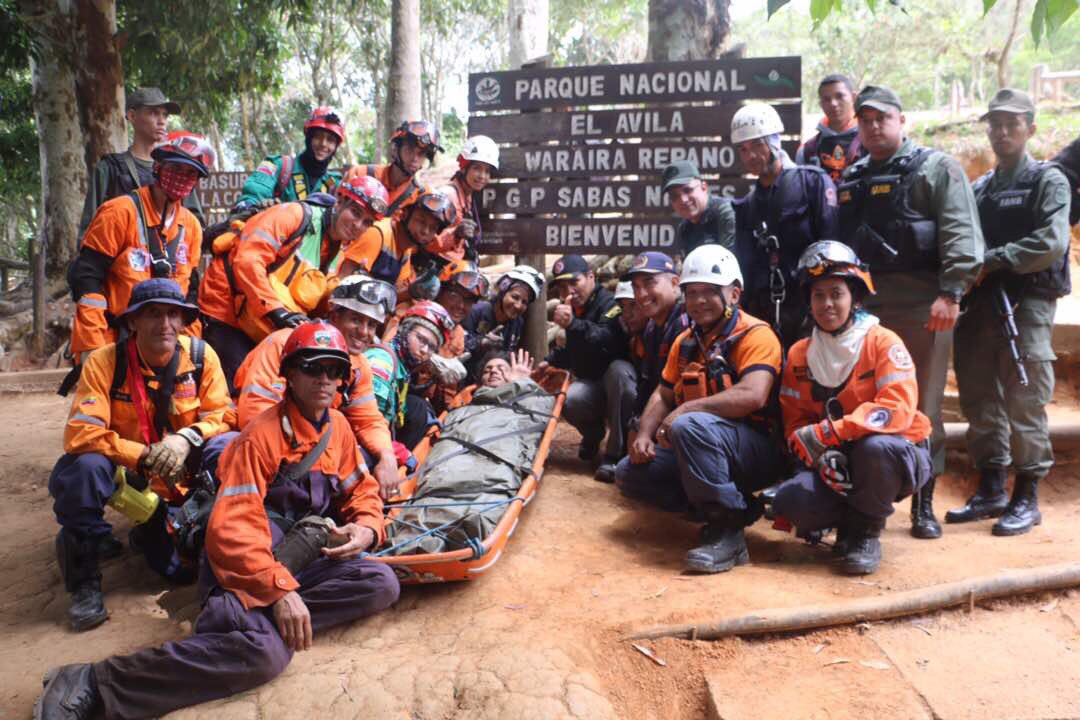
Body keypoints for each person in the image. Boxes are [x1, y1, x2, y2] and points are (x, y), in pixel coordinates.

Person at [34, 322, 399, 720]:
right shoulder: (261, 436)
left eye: (335, 370)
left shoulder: (339, 428)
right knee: (264, 656)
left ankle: (251, 621)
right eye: (313, 368)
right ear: (290, 376)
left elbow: (360, 490)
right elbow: (232, 530)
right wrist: (277, 592)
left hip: (293, 561)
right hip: (240, 569)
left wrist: (366, 526)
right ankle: (93, 683)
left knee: (380, 582)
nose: (325, 379)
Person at [838, 85, 984, 540]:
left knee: (922, 405)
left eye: (883, 117)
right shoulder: (854, 174)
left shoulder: (936, 168)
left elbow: (962, 233)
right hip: (867, 309)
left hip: (925, 305)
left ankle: (924, 503)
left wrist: (952, 293)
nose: (874, 125)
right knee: (864, 402)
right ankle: (869, 501)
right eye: (865, 119)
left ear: (902, 121)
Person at [48, 279, 234, 632]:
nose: (164, 324)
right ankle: (84, 580)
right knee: (81, 469)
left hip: (182, 480)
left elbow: (223, 417)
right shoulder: (105, 362)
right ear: (132, 321)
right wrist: (144, 455)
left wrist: (185, 439)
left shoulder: (200, 356)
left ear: (182, 321)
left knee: (175, 572)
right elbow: (80, 434)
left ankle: (199, 537)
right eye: (152, 314)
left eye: (172, 314)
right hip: (130, 474)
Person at [947, 89, 1072, 536]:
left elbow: (1051, 243)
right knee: (980, 398)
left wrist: (995, 258)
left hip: (1028, 301)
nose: (1001, 132)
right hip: (980, 304)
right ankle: (992, 488)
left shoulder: (1048, 180)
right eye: (995, 124)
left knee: (1024, 395)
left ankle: (1027, 496)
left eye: (1011, 124)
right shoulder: (980, 188)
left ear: (1030, 129)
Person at [616, 245, 784, 573]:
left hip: (759, 450)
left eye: (709, 292)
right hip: (709, 444)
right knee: (630, 473)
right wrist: (646, 434)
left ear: (734, 294)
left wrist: (687, 409)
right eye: (691, 293)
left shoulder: (756, 335)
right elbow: (663, 395)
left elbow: (754, 395)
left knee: (688, 425)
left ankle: (727, 531)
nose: (698, 301)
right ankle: (734, 505)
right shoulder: (687, 340)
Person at [773, 242, 931, 575]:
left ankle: (866, 532)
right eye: (818, 295)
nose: (827, 303)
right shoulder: (801, 353)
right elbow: (794, 421)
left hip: (894, 453)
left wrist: (832, 433)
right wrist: (816, 455)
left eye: (836, 293)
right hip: (833, 458)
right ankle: (844, 522)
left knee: (877, 448)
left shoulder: (882, 342)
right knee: (790, 502)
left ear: (855, 298)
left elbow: (897, 409)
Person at [199, 176, 389, 388]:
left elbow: (317, 306)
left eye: (367, 223)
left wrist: (347, 288)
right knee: (233, 389)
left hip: (265, 326)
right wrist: (276, 311)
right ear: (339, 201)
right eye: (355, 213)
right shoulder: (293, 215)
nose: (358, 225)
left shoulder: (339, 254)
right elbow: (248, 261)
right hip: (226, 311)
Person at [66, 132, 213, 383]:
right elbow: (86, 277)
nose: (181, 177)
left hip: (165, 340)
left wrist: (190, 348)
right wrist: (93, 346)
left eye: (191, 173)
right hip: (115, 336)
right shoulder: (119, 212)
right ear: (158, 166)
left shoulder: (191, 227)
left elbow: (188, 291)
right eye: (175, 168)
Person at [233, 277, 400, 498]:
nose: (364, 331)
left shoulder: (359, 366)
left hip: (316, 445)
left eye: (372, 325)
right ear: (334, 314)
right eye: (356, 320)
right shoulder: (285, 343)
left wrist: (387, 456)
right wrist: (310, 452)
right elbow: (255, 412)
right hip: (262, 444)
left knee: (368, 460)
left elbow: (368, 420)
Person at [730, 103, 838, 347]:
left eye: (758, 145)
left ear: (775, 142)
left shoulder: (812, 183)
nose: (750, 156)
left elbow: (832, 246)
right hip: (767, 313)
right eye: (743, 149)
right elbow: (746, 267)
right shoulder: (748, 205)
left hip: (810, 308)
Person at [76, 89, 204, 243]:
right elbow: (89, 231)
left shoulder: (178, 169)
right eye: (153, 113)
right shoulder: (110, 168)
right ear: (132, 116)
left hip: (169, 263)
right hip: (119, 262)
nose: (162, 120)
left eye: (165, 115)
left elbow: (195, 227)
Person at [544, 254, 633, 465]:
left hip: (620, 387)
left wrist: (573, 324)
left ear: (591, 277)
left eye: (574, 282)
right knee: (571, 398)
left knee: (619, 372)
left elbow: (608, 339)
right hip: (591, 383)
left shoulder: (610, 302)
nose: (569, 292)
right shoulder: (574, 308)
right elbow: (576, 349)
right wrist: (550, 362)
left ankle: (615, 454)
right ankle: (593, 436)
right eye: (562, 287)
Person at [369, 300, 456, 450]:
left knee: (419, 406)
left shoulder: (403, 368)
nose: (424, 350)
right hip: (361, 442)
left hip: (380, 433)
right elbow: (366, 425)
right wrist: (396, 451)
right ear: (404, 330)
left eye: (431, 348)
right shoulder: (383, 364)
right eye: (421, 340)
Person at [336, 191, 458, 291]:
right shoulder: (377, 234)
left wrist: (414, 292)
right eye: (421, 221)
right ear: (405, 214)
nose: (425, 231)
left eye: (432, 228)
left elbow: (394, 293)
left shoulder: (406, 249)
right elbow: (341, 282)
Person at [234, 106, 345, 210]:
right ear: (309, 137)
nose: (323, 144)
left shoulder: (334, 183)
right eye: (318, 136)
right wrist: (257, 207)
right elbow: (251, 196)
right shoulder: (277, 165)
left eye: (330, 140)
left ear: (336, 146)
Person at [342, 119, 443, 221]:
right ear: (396, 149)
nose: (414, 158)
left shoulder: (419, 197)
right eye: (409, 150)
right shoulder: (360, 174)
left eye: (421, 154)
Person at [462, 265, 545, 380]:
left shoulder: (517, 323)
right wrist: (480, 343)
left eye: (524, 302)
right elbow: (456, 345)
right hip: (465, 376)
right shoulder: (477, 311)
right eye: (515, 297)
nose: (518, 305)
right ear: (503, 290)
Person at [429, 135, 499, 260]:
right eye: (477, 168)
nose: (482, 176)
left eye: (487, 171)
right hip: (437, 268)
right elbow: (426, 240)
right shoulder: (447, 196)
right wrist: (455, 234)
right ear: (464, 167)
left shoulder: (467, 196)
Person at [796, 74, 865, 183]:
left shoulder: (871, 141)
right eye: (826, 99)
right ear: (821, 104)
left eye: (840, 96)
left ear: (854, 97)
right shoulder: (807, 150)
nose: (833, 104)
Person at [663, 160, 736, 257]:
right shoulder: (685, 228)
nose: (683, 200)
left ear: (704, 187)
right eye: (674, 196)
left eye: (687, 190)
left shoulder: (725, 212)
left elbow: (730, 262)